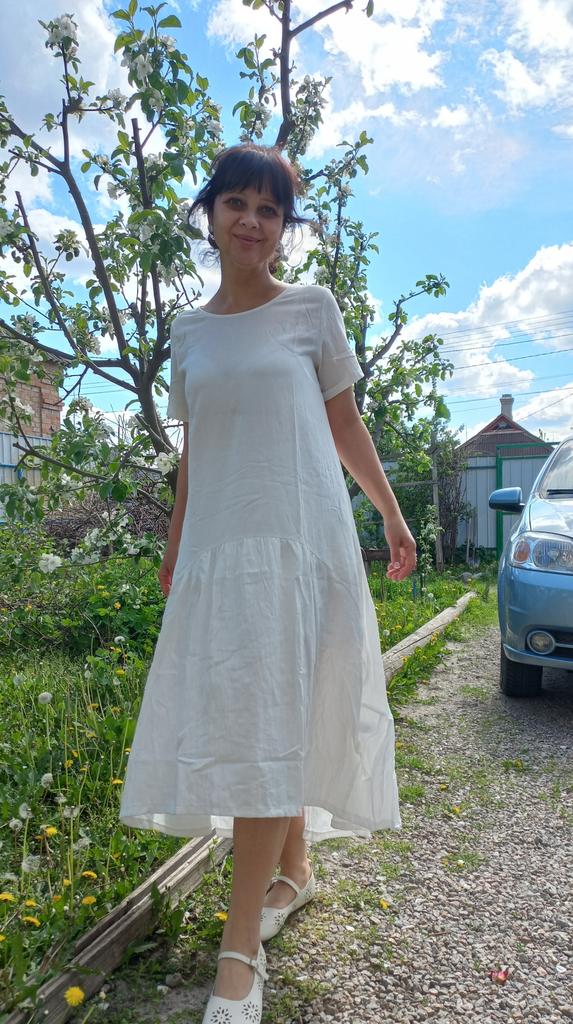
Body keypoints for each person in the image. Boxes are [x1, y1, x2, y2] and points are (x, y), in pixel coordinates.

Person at [119, 142, 417, 1024]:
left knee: (268, 714)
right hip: (221, 551)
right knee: (261, 711)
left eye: (270, 209)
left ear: (284, 227)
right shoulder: (188, 331)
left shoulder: (310, 309)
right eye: (237, 204)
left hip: (300, 545)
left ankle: (239, 950)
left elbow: (344, 424)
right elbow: (194, 452)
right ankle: (296, 870)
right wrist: (177, 545)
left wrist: (391, 515)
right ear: (209, 214)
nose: (252, 221)